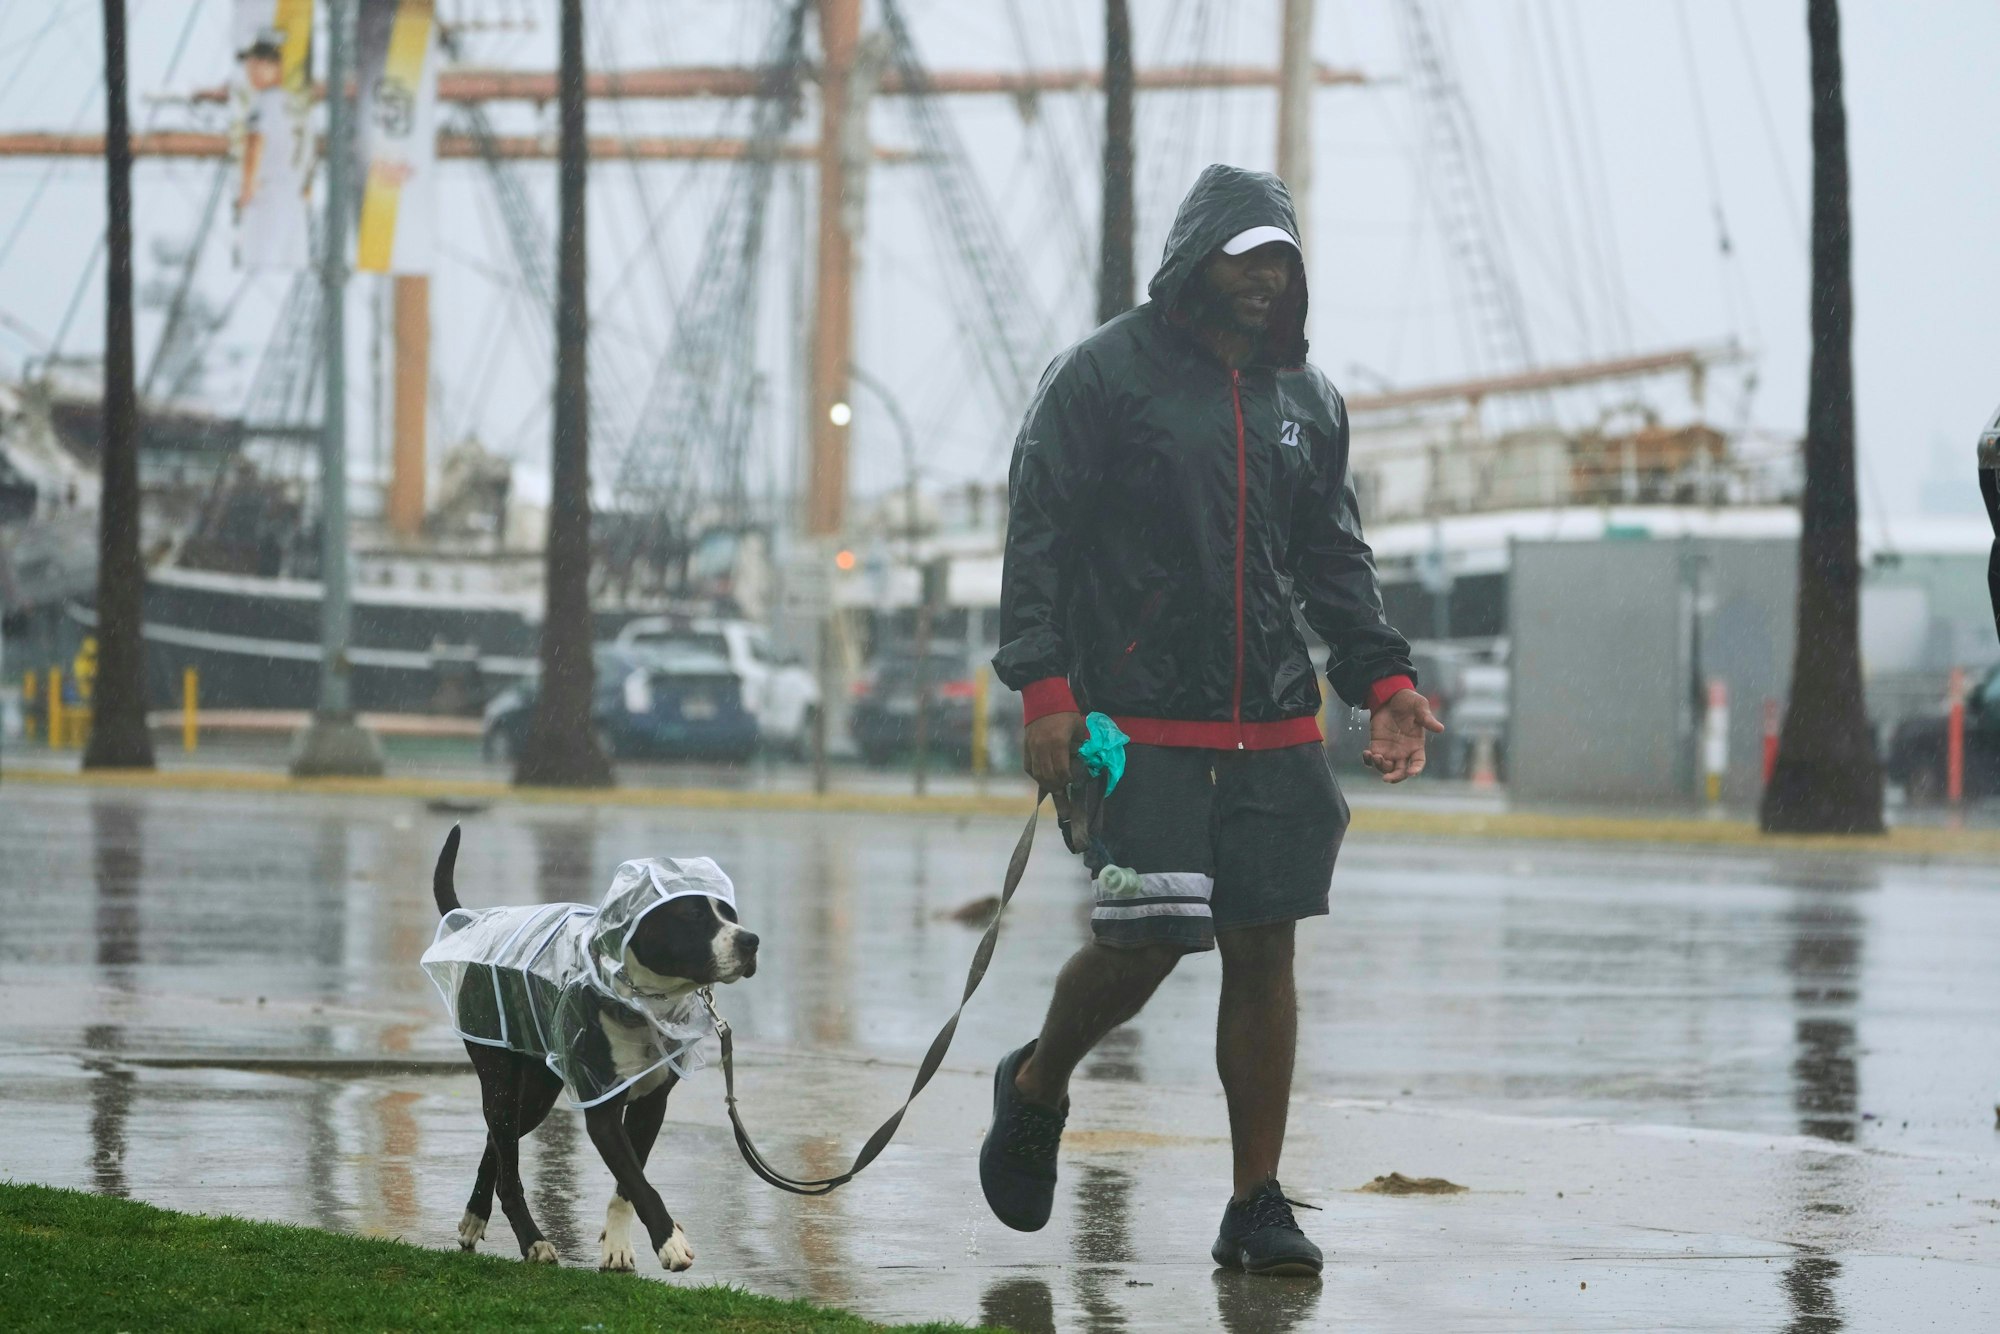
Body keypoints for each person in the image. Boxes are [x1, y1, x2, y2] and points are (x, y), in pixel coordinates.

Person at [984, 163, 1441, 1277]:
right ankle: (1038, 1078)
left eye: (1280, 257)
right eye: (1243, 254)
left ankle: (1253, 1201)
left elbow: (1331, 555)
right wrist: (1043, 689)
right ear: (1196, 257)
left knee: (1260, 945)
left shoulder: (1308, 401)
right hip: (1125, 723)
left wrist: (1382, 677)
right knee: (1145, 940)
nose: (1264, 276)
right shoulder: (1099, 378)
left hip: (1275, 724)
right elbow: (1037, 531)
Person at [235, 30, 310, 272]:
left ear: (273, 67)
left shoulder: (264, 101)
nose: (251, 70)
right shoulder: (295, 104)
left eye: (257, 63)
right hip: (295, 195)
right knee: (291, 262)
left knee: (261, 262)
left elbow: (255, 143)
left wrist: (247, 187)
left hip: (269, 191)